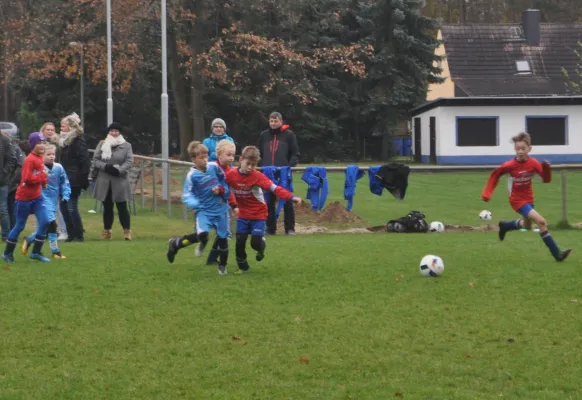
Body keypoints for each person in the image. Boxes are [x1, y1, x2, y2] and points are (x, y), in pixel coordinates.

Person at [481, 132, 571, 262]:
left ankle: (505, 226)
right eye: (517, 149)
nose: (520, 151)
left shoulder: (533, 163)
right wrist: (487, 193)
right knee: (541, 222)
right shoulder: (509, 165)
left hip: (529, 198)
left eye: (523, 148)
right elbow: (495, 174)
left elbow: (546, 179)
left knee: (527, 226)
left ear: (529, 148)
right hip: (516, 200)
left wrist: (546, 170)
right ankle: (557, 254)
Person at [225, 146, 302, 273]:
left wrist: (291, 197)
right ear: (241, 160)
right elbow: (223, 187)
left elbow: (274, 188)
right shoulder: (231, 175)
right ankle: (243, 267)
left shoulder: (257, 176)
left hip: (258, 213)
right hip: (243, 214)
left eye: (253, 165)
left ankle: (261, 246)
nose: (250, 167)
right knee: (240, 241)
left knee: (254, 243)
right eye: (248, 164)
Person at [166, 141, 231, 275]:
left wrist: (222, 190)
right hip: (204, 211)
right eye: (201, 158)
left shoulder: (214, 167)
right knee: (202, 235)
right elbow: (187, 194)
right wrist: (195, 204)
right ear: (193, 159)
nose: (205, 160)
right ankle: (176, 244)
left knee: (223, 239)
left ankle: (223, 267)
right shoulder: (192, 176)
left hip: (220, 209)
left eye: (206, 157)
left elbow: (224, 180)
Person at [1, 132, 51, 264]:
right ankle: (7, 253)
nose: (41, 146)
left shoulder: (40, 158)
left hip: (37, 197)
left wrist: (44, 180)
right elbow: (27, 179)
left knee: (45, 221)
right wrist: (43, 176)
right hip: (24, 198)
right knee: (19, 226)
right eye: (39, 143)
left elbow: (40, 176)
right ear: (33, 144)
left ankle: (35, 252)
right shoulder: (29, 160)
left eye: (43, 143)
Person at [21, 144, 71, 259]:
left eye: (53, 154)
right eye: (48, 154)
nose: (52, 156)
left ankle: (29, 239)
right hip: (41, 199)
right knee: (51, 224)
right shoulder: (39, 168)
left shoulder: (59, 168)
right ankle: (55, 252)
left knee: (46, 226)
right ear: (42, 156)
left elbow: (65, 182)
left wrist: (66, 195)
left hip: (54, 201)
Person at [257, 111, 300, 235]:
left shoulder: (289, 135)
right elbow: (258, 153)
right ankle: (270, 229)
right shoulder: (264, 135)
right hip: (267, 173)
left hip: (283, 173)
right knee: (268, 201)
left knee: (287, 200)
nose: (273, 123)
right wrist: (260, 166)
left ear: (281, 121)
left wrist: (290, 166)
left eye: (276, 121)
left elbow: (295, 152)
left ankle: (290, 228)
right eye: (271, 121)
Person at [91, 122, 134, 240]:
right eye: (111, 131)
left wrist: (120, 170)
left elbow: (129, 161)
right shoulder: (102, 143)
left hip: (119, 180)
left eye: (116, 131)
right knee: (107, 207)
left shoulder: (126, 145)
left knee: (122, 207)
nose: (113, 133)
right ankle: (107, 231)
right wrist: (106, 167)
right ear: (108, 132)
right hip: (105, 179)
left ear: (119, 132)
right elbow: (95, 160)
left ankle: (127, 231)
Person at [206, 139, 238, 265]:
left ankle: (212, 258)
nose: (231, 158)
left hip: (222, 207)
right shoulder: (212, 168)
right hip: (210, 206)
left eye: (233, 155)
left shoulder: (230, 171)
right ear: (219, 154)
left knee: (223, 233)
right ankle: (177, 243)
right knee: (203, 234)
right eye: (228, 155)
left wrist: (234, 205)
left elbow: (228, 191)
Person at [59, 112, 90, 242]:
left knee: (71, 206)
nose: (61, 129)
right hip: (65, 178)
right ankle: (71, 234)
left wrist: (83, 179)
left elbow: (84, 161)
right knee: (63, 207)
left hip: (74, 179)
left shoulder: (78, 141)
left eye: (63, 126)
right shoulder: (65, 142)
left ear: (70, 127)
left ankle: (78, 234)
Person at [40, 122, 66, 240]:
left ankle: (62, 230)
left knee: (58, 206)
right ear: (43, 131)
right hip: (43, 179)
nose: (50, 131)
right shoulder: (39, 144)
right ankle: (44, 230)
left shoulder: (58, 144)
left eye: (52, 129)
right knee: (44, 207)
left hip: (55, 178)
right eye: (48, 129)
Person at [0, 131, 17, 242]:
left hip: (1, 181)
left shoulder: (4, 140)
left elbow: (12, 158)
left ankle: (6, 235)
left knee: (2, 209)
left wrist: (4, 172)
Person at [7, 139, 26, 230]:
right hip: (7, 182)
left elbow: (20, 166)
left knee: (12, 208)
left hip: (13, 184)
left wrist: (12, 181)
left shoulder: (16, 149)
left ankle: (13, 229)